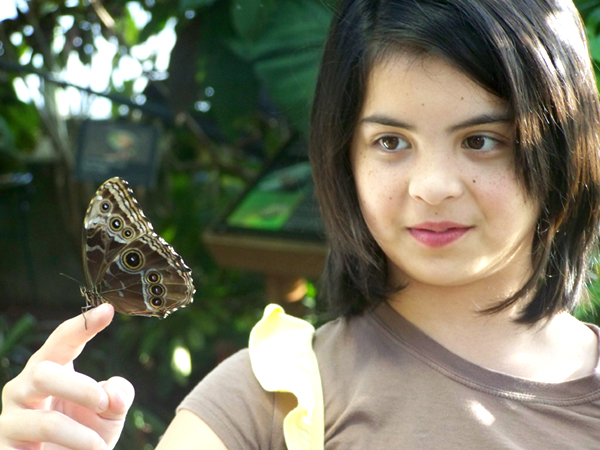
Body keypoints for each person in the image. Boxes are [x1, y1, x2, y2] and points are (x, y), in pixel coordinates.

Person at [2, 0, 600, 448]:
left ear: (563, 146)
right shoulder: (266, 398)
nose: (432, 186)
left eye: (480, 140)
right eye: (391, 141)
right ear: (345, 156)